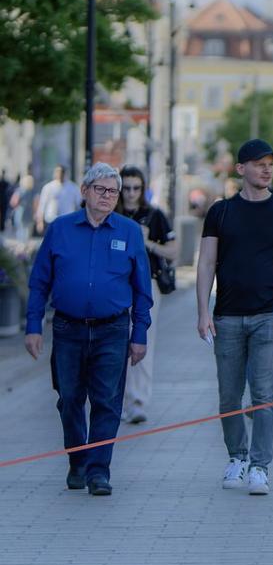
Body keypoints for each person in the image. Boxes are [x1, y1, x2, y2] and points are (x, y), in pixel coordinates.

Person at [24, 163, 153, 496]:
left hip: (112, 329)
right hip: (68, 329)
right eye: (101, 190)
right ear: (84, 192)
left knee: (107, 402)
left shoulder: (129, 232)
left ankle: (99, 471)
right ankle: (77, 460)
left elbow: (142, 290)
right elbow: (39, 282)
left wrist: (139, 335)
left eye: (114, 191)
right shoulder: (60, 229)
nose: (108, 197)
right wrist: (33, 326)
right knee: (69, 399)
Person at [196, 139, 273, 496]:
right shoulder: (220, 212)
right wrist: (202, 312)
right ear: (240, 169)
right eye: (258, 163)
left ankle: (260, 466)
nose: (267, 168)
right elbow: (206, 263)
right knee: (229, 396)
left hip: (270, 315)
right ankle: (237, 457)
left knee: (264, 395)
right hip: (227, 316)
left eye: (270, 163)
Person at [116, 165, 179, 425]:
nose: (131, 193)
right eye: (127, 188)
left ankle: (138, 401)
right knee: (115, 344)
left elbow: (174, 251)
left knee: (143, 342)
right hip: (116, 286)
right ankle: (116, 401)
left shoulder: (154, 216)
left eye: (136, 188)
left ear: (143, 189)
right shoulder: (112, 213)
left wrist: (148, 242)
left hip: (147, 285)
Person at [35, 165, 82, 236]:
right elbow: (42, 205)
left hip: (67, 220)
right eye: (57, 172)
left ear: (65, 174)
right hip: (51, 220)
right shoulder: (48, 187)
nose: (59, 174)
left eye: (61, 172)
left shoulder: (73, 188)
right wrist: (40, 221)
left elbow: (79, 205)